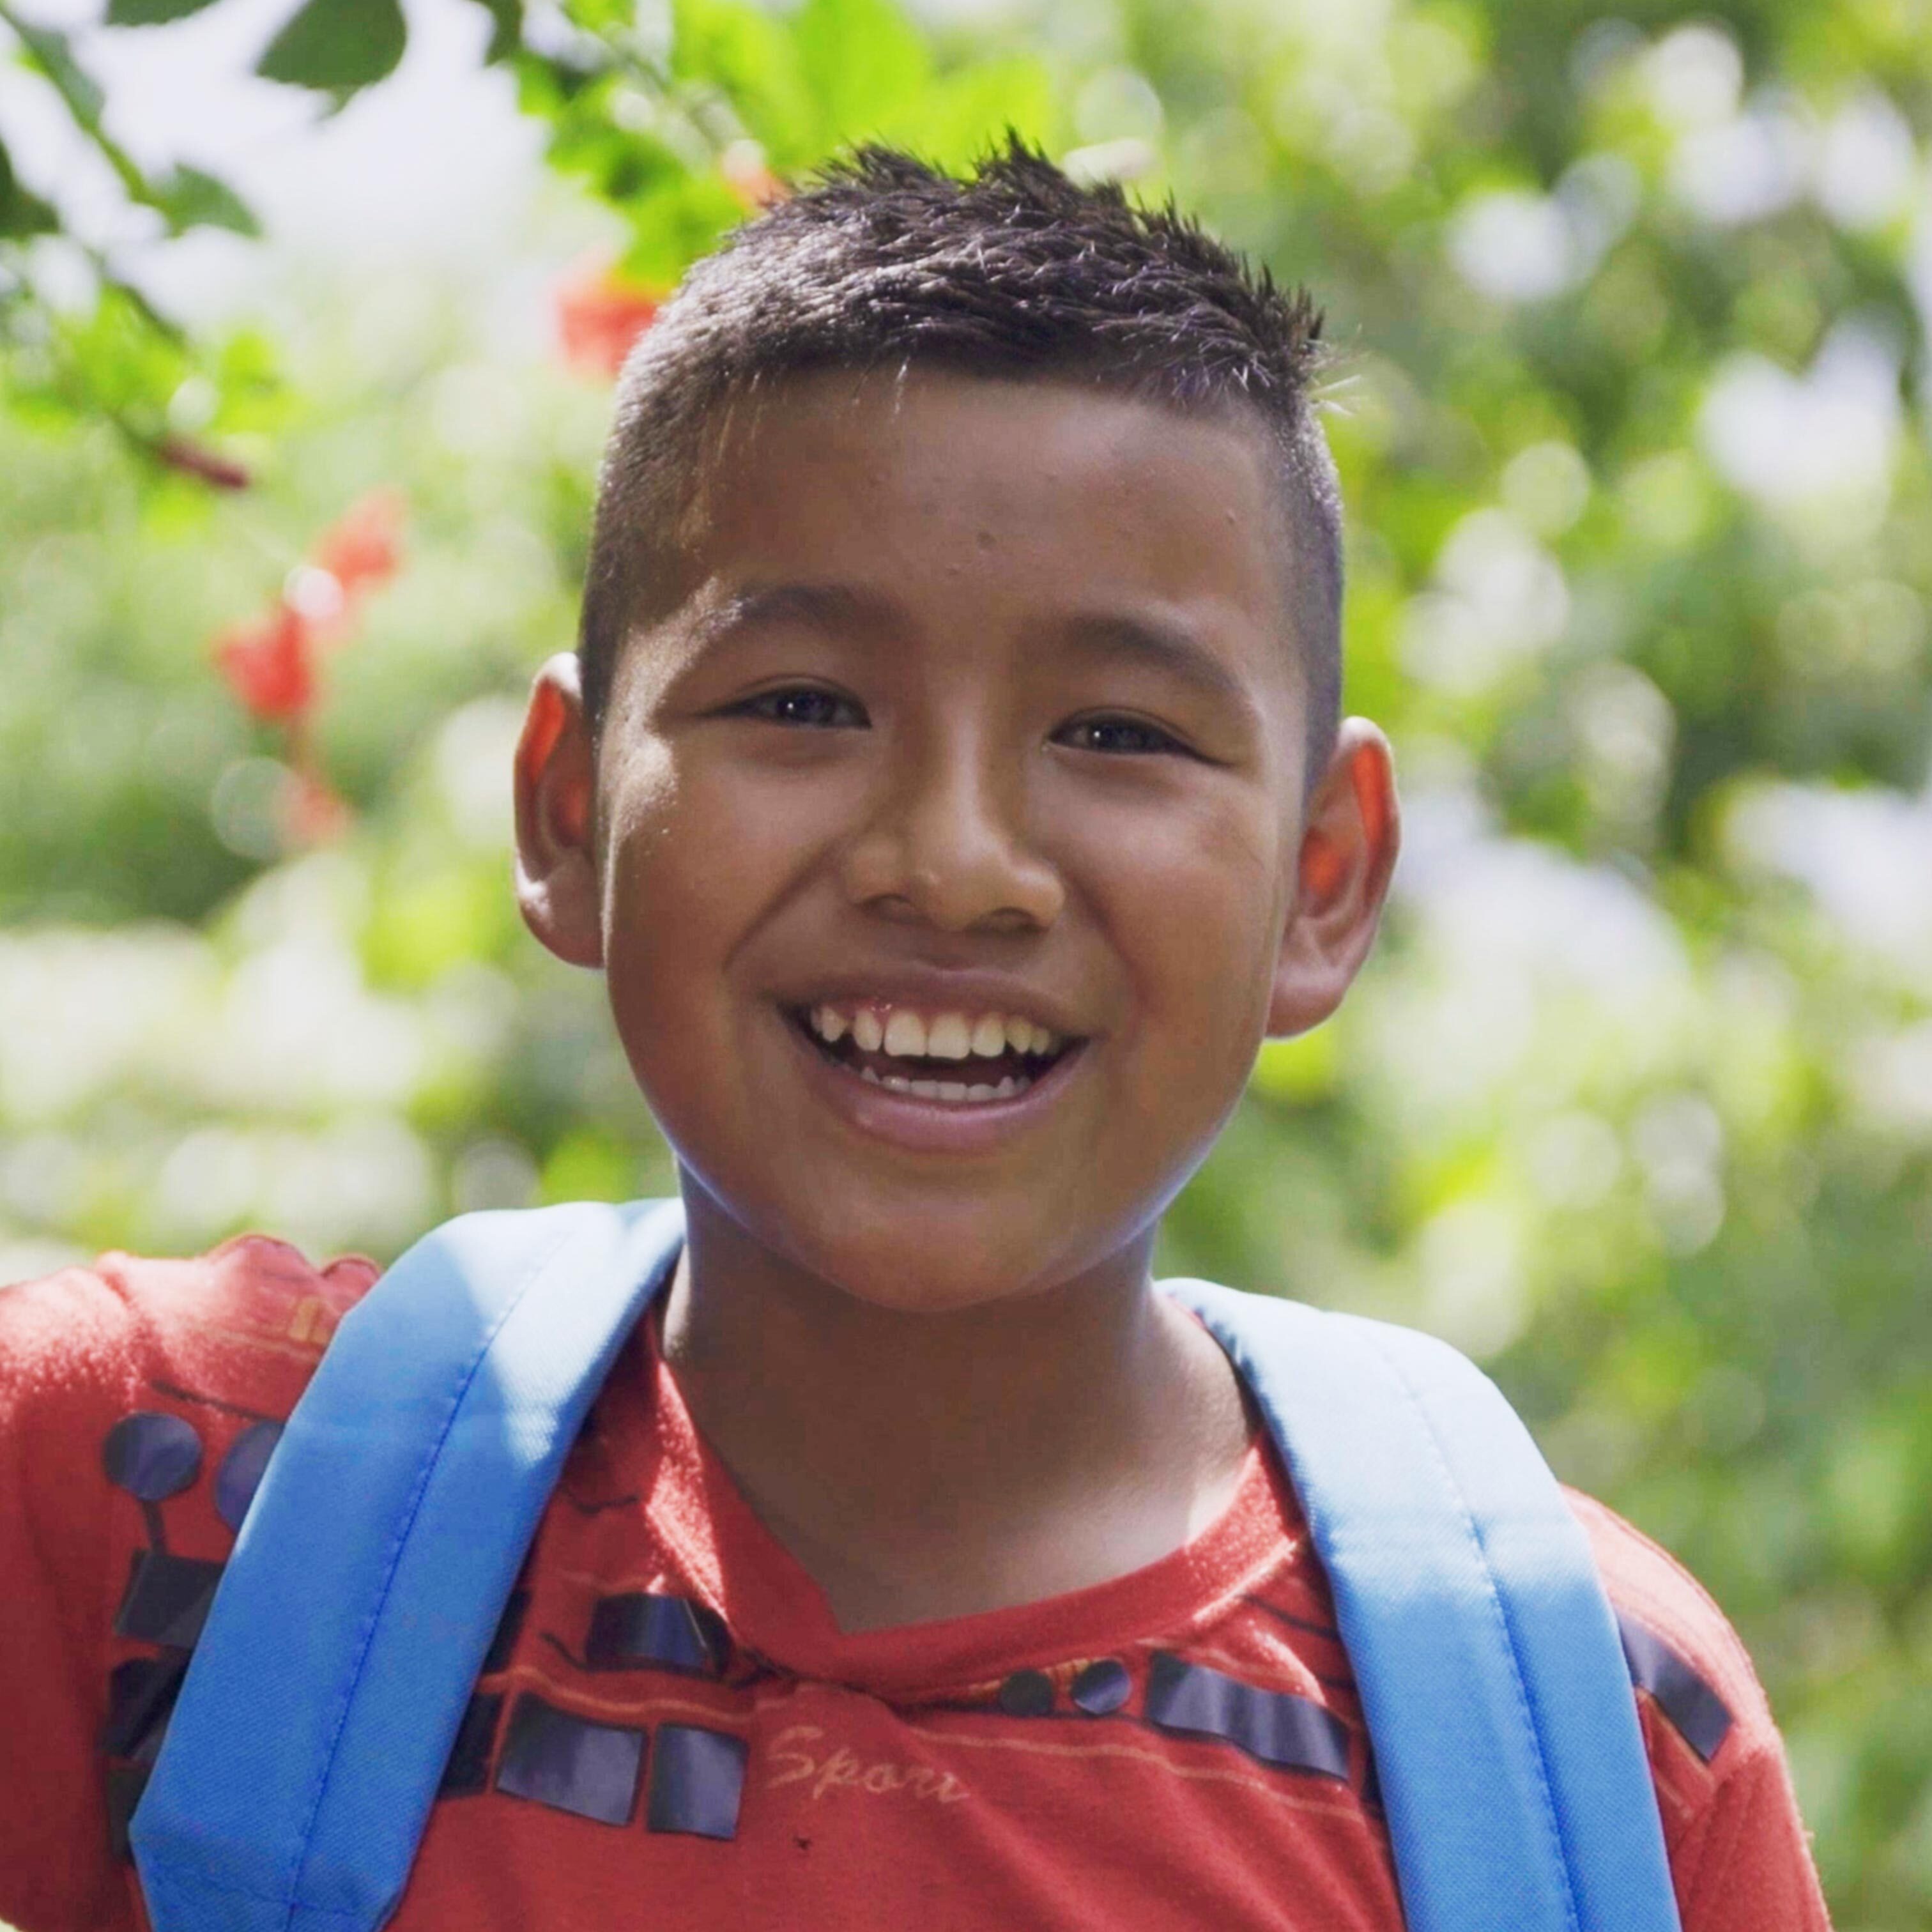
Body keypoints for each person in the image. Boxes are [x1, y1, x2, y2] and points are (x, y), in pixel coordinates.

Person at [0, 142, 1830, 1931]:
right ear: (567, 810)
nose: (956, 867)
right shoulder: (161, 1500)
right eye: (803, 703)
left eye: (1119, 734)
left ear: (1322, 878)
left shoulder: (1602, 1733)